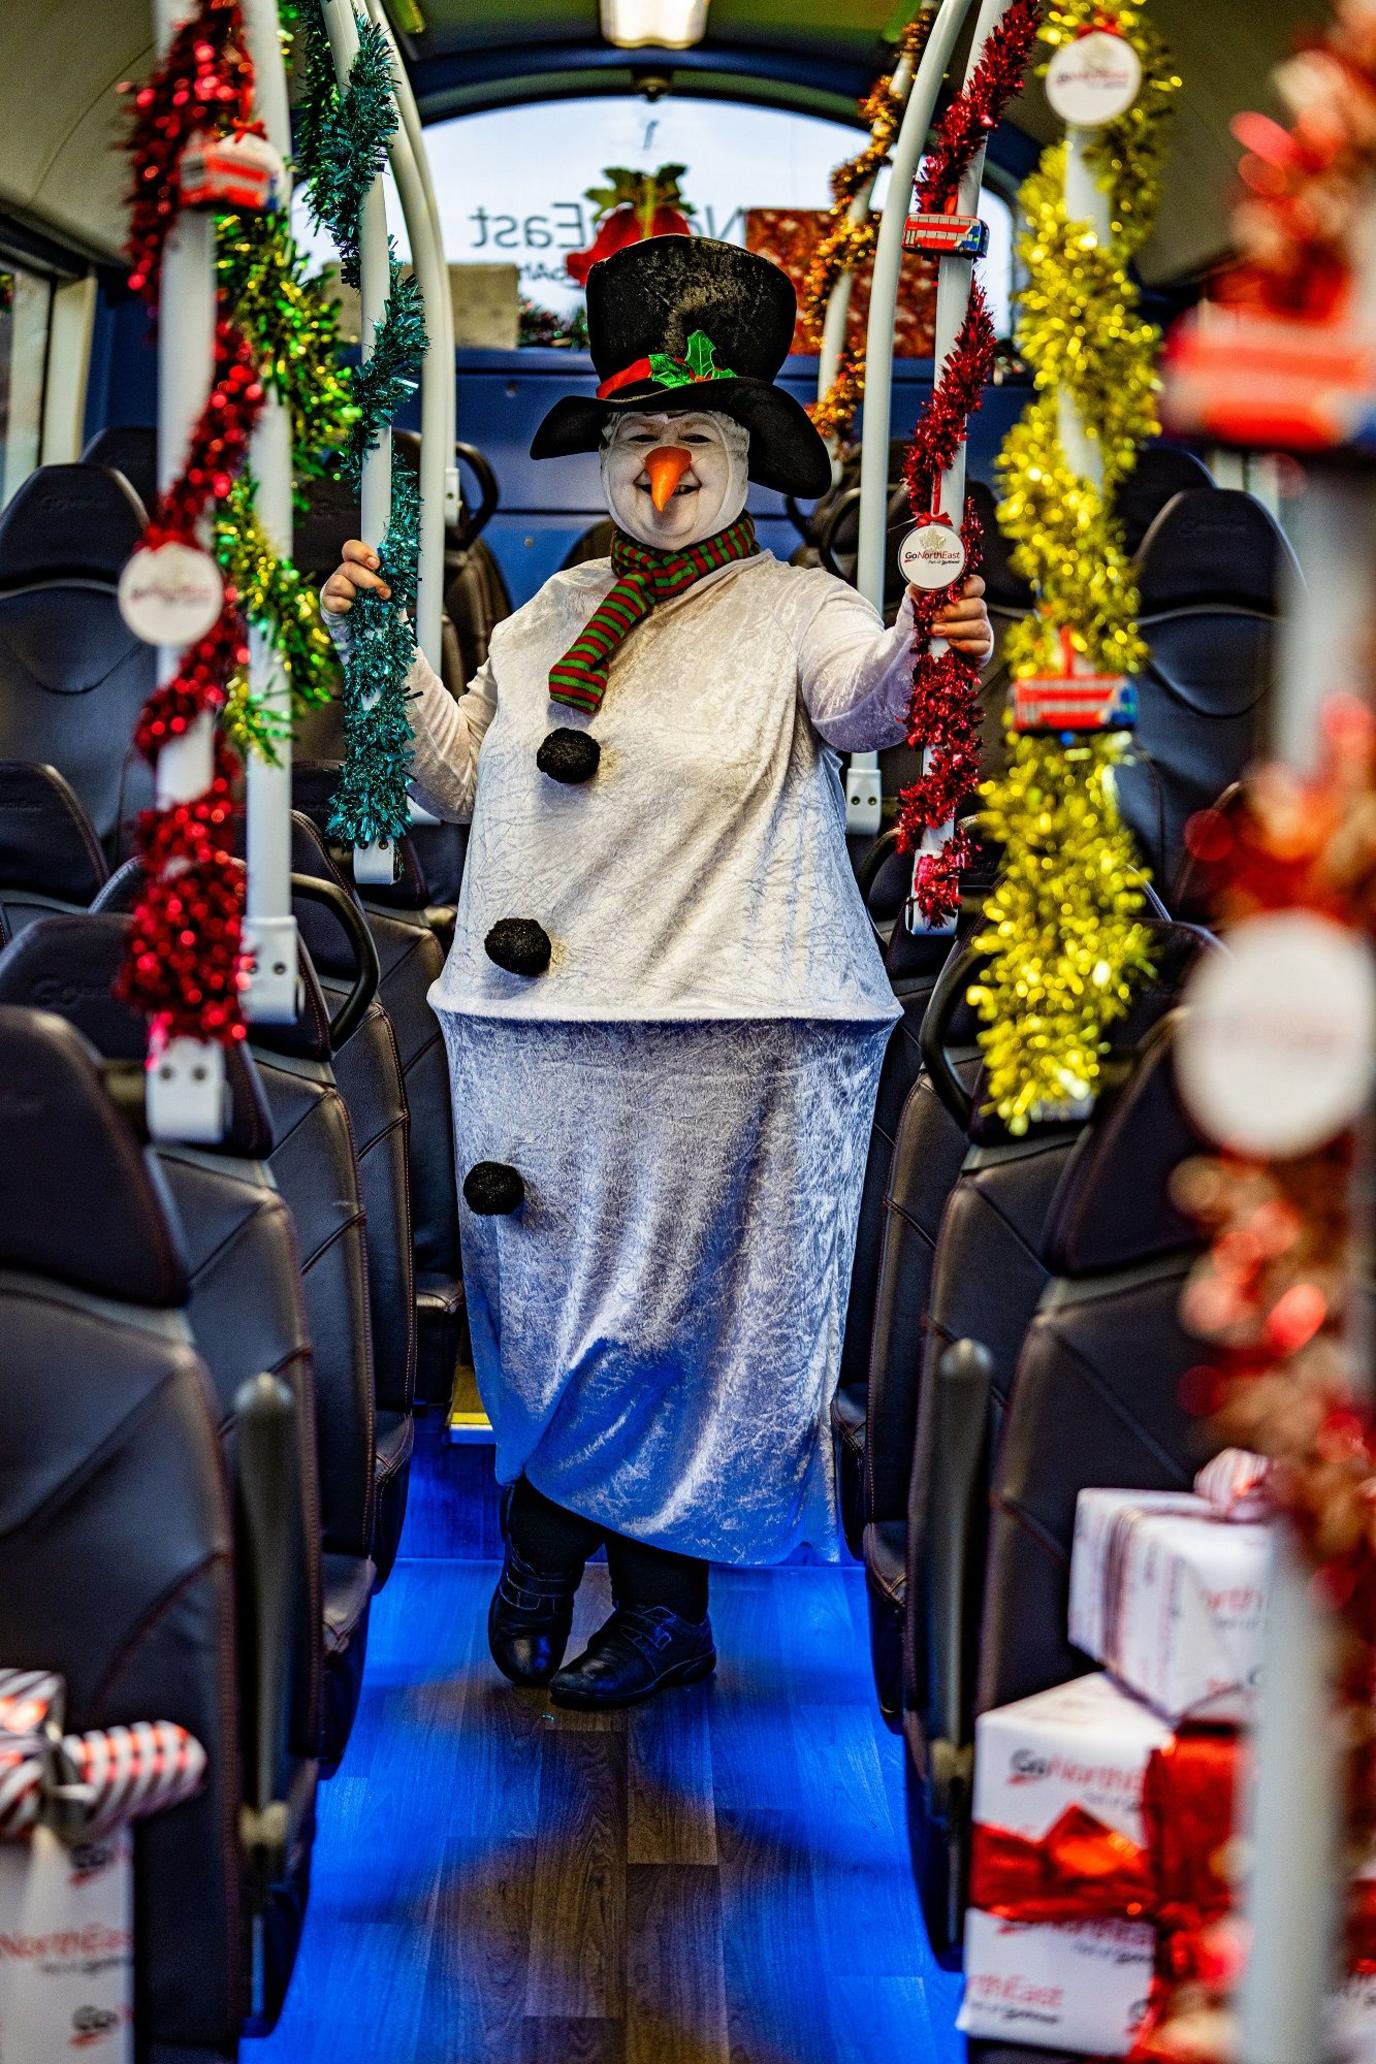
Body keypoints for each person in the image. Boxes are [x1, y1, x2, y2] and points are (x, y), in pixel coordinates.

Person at [323, 236, 993, 1712]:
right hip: (536, 1034)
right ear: (609, 455)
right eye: (639, 435)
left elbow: (869, 705)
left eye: (694, 434)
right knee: (550, 1309)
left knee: (670, 1328)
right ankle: (560, 1539)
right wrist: (380, 655)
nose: (664, 462)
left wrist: (928, 645)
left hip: (719, 1019)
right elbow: (451, 784)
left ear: (747, 456)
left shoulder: (801, 609)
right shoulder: (548, 613)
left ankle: (607, 1576)